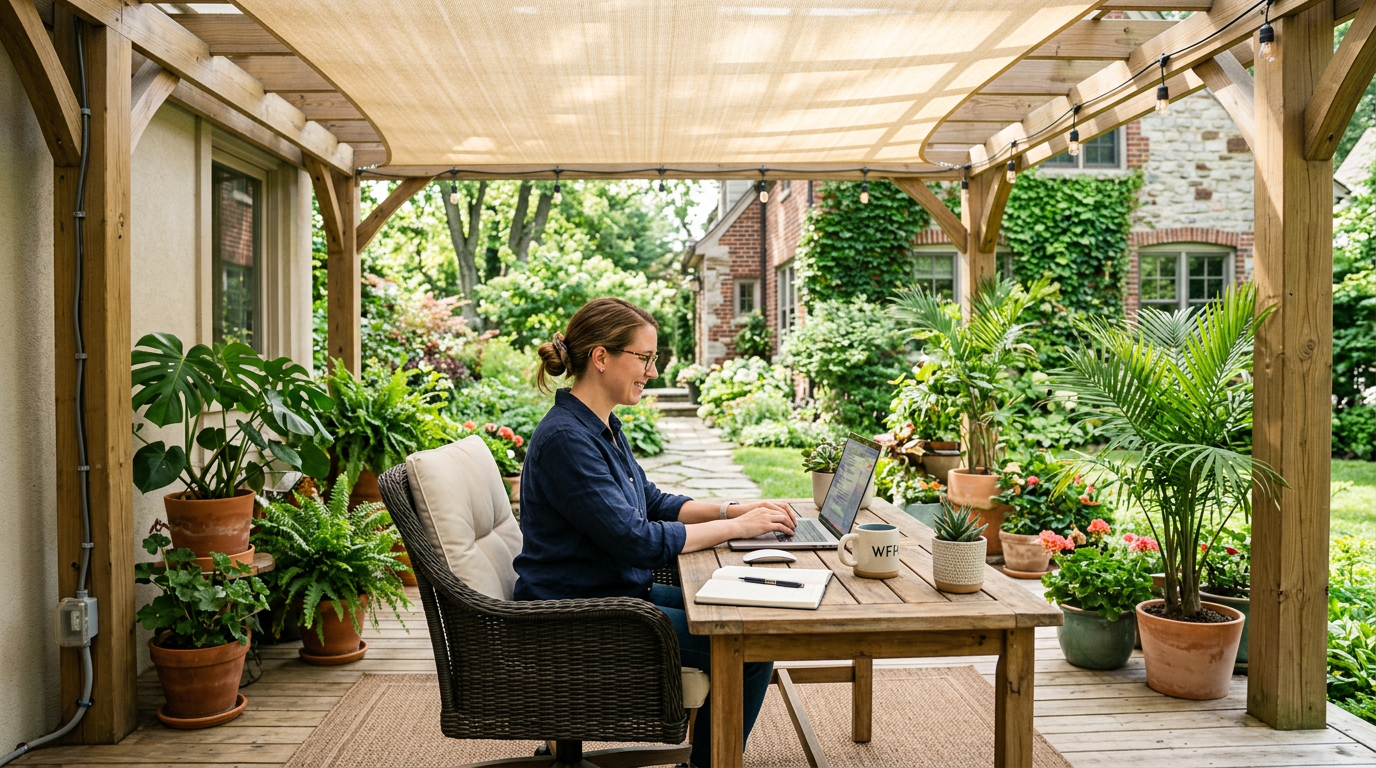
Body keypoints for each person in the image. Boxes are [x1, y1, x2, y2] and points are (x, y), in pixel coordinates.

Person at [514, 297, 796, 768]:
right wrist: (738, 528)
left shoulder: (599, 426)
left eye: (652, 359)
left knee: (731, 602)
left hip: (616, 595)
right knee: (748, 643)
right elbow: (638, 539)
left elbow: (654, 502)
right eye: (643, 358)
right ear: (601, 357)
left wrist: (733, 508)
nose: (652, 370)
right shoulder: (567, 440)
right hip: (582, 617)